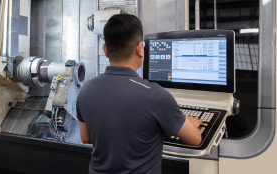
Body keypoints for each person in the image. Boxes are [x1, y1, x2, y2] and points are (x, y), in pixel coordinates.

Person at [76, 14, 203, 174]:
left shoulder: (85, 90)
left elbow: (86, 138)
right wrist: (184, 122)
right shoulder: (155, 96)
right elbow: (196, 139)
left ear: (105, 50)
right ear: (139, 49)